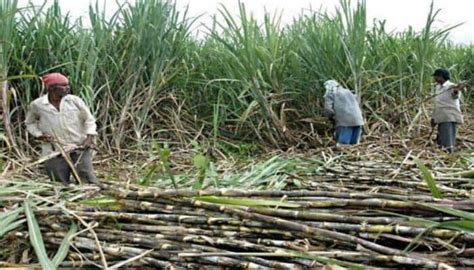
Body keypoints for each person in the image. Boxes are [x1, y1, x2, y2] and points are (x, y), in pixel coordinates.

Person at [25, 72, 98, 185]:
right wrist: (39, 135)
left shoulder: (74, 101)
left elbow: (89, 120)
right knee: (59, 183)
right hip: (54, 150)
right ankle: (64, 201)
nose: (67, 88)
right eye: (63, 86)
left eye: (67, 85)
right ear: (51, 88)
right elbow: (29, 123)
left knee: (88, 180)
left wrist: (89, 138)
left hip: (78, 147)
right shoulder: (37, 105)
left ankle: (87, 200)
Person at [431, 68, 463, 153]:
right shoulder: (438, 87)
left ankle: (449, 155)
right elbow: (437, 103)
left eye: (436, 77)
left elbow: (455, 94)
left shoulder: (451, 86)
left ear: (441, 77)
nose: (435, 79)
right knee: (441, 137)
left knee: (447, 139)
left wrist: (456, 91)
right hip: (441, 116)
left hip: (448, 116)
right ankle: (443, 154)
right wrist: (433, 117)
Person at [323, 80, 364, 145]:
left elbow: (328, 109)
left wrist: (331, 117)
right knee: (354, 144)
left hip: (345, 120)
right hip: (358, 118)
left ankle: (343, 153)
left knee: (343, 144)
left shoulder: (331, 94)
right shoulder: (348, 91)